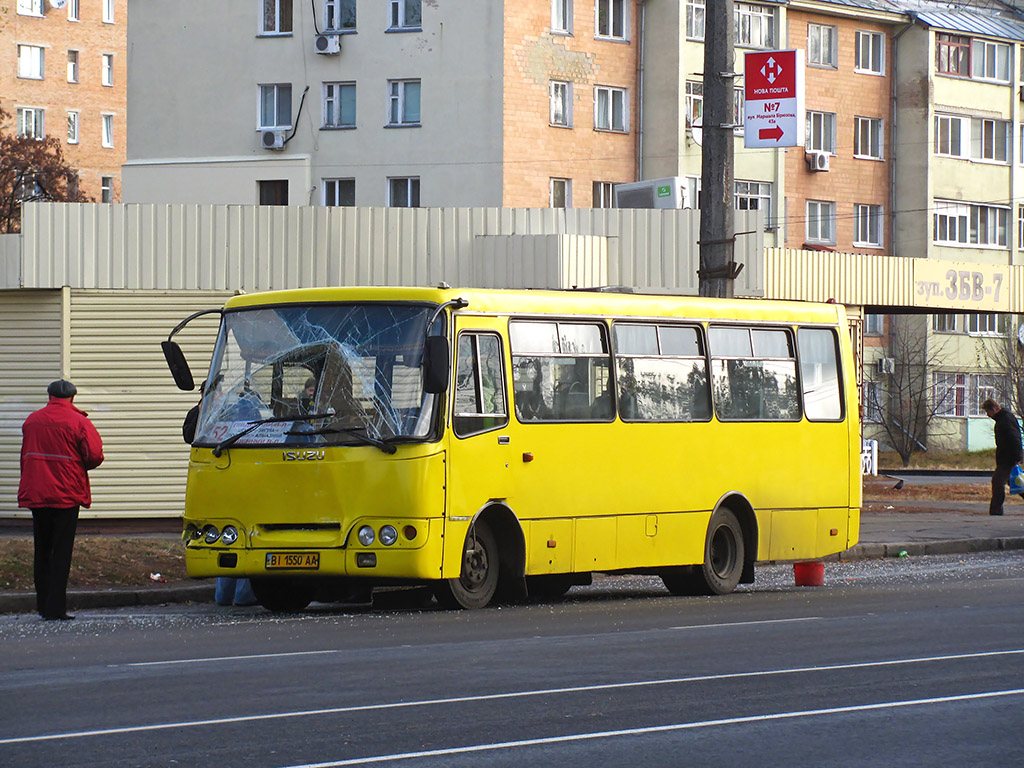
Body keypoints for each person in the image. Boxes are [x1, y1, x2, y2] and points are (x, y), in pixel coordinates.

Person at [18, 379, 104, 621]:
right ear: (72, 398)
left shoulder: (32, 420)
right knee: (61, 552)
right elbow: (94, 455)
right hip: (66, 493)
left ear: (49, 396)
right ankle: (56, 608)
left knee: (41, 549)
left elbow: (26, 454)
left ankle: (42, 605)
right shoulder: (79, 422)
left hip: (37, 491)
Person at [982, 398, 1023, 516]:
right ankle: (995, 510)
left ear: (994, 409)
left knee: (998, 481)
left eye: (988, 412)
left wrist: (1017, 457)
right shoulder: (1002, 419)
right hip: (1007, 457)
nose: (988, 415)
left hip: (1008, 458)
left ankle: (996, 510)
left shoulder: (1006, 419)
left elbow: (1015, 439)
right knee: (1016, 483)